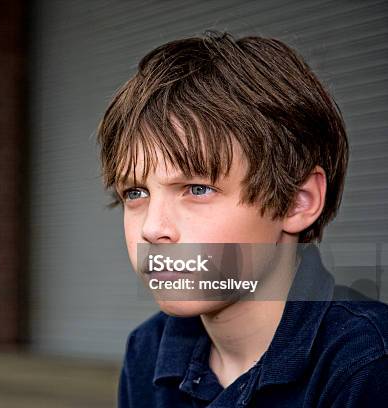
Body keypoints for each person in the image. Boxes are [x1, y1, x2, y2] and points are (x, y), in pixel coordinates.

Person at [96, 32, 388, 407]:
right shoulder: (147, 350)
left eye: (197, 189)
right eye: (136, 193)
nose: (153, 228)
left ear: (298, 201)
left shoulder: (366, 365)